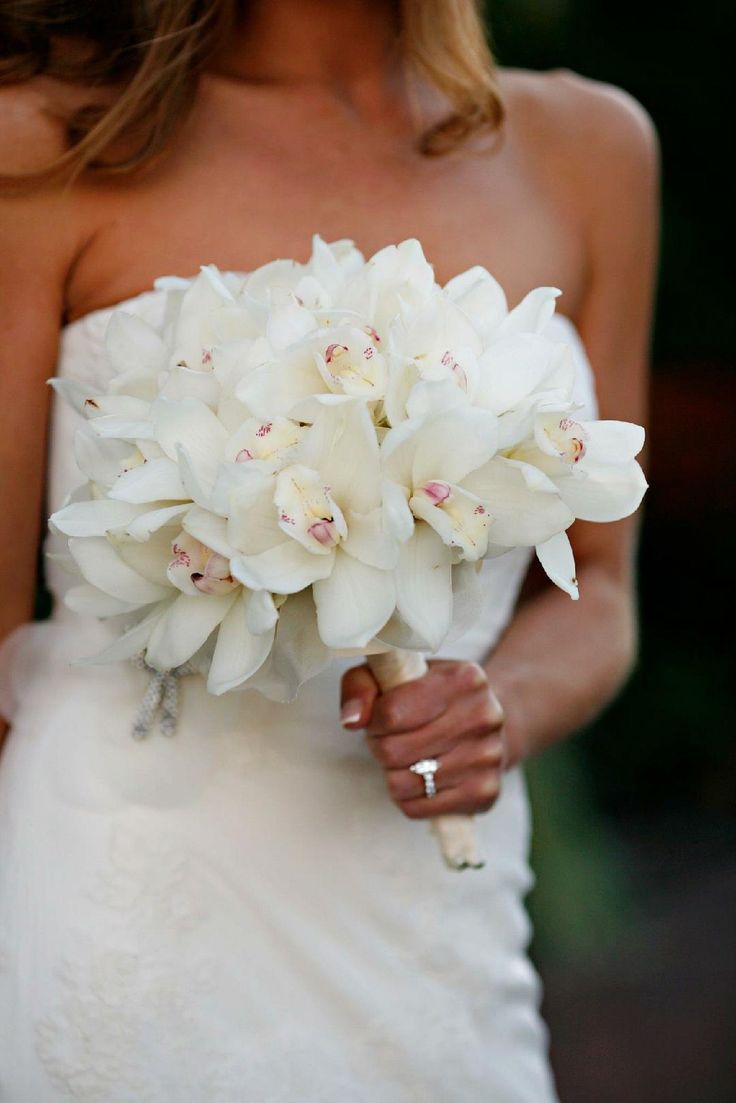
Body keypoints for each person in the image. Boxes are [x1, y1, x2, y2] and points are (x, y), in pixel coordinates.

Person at [0, 1, 658, 1099]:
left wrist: (493, 710)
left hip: (427, 924)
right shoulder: (52, 144)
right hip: (120, 908)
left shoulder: (591, 151)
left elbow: (599, 586)